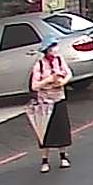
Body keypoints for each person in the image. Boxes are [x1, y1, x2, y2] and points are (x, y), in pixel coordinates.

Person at [31, 41, 72, 172]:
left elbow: (69, 73)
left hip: (59, 98)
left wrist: (62, 82)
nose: (55, 50)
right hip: (45, 102)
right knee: (45, 131)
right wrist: (48, 80)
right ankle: (45, 160)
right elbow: (34, 86)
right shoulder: (39, 65)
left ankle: (63, 156)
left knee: (62, 128)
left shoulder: (59, 60)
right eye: (52, 48)